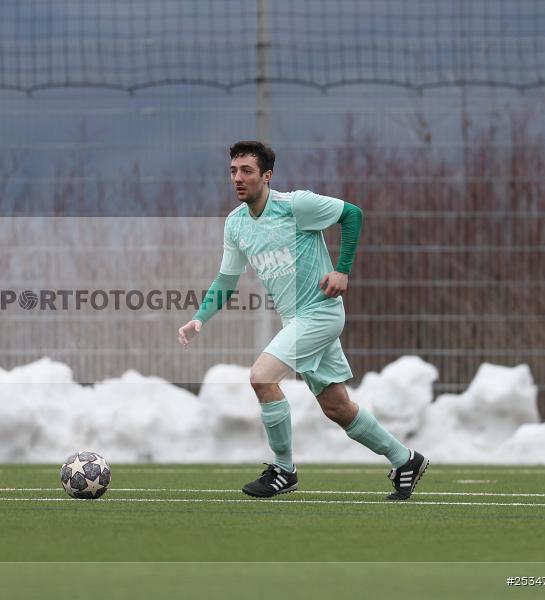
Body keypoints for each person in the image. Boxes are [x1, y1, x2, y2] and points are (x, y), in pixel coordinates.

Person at [177, 140, 428, 501]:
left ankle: (283, 468)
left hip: (321, 314)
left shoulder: (295, 205)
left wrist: (342, 270)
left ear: (267, 176)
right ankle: (405, 460)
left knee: (261, 377)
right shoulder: (235, 225)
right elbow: (227, 280)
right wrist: (199, 318)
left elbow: (352, 214)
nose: (238, 178)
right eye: (233, 171)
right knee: (337, 407)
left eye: (247, 171)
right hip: (296, 321)